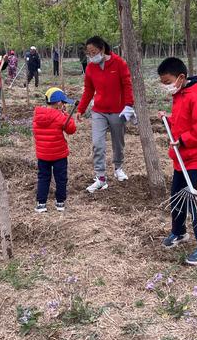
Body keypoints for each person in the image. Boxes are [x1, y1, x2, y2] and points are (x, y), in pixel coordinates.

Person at [156, 57, 197, 265]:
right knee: (177, 197)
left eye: (167, 82)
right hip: (182, 159)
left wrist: (183, 140)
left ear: (181, 78)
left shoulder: (195, 97)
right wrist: (169, 119)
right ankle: (179, 232)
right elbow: (185, 120)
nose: (165, 87)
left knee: (196, 203)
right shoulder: (181, 95)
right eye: (163, 83)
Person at [77, 36, 134, 193]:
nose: (91, 55)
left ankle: (118, 167)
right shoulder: (90, 68)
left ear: (102, 49)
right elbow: (88, 90)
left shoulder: (119, 63)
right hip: (99, 111)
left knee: (118, 142)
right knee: (98, 143)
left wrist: (129, 105)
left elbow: (127, 85)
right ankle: (100, 177)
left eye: (93, 52)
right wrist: (81, 109)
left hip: (118, 110)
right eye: (88, 53)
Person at [33, 87, 77, 213]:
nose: (64, 104)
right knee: (61, 178)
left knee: (43, 177)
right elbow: (71, 129)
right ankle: (60, 202)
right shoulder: (60, 116)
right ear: (58, 103)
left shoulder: (38, 115)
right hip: (59, 155)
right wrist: (66, 114)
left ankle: (41, 203)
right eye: (63, 102)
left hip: (42, 155)